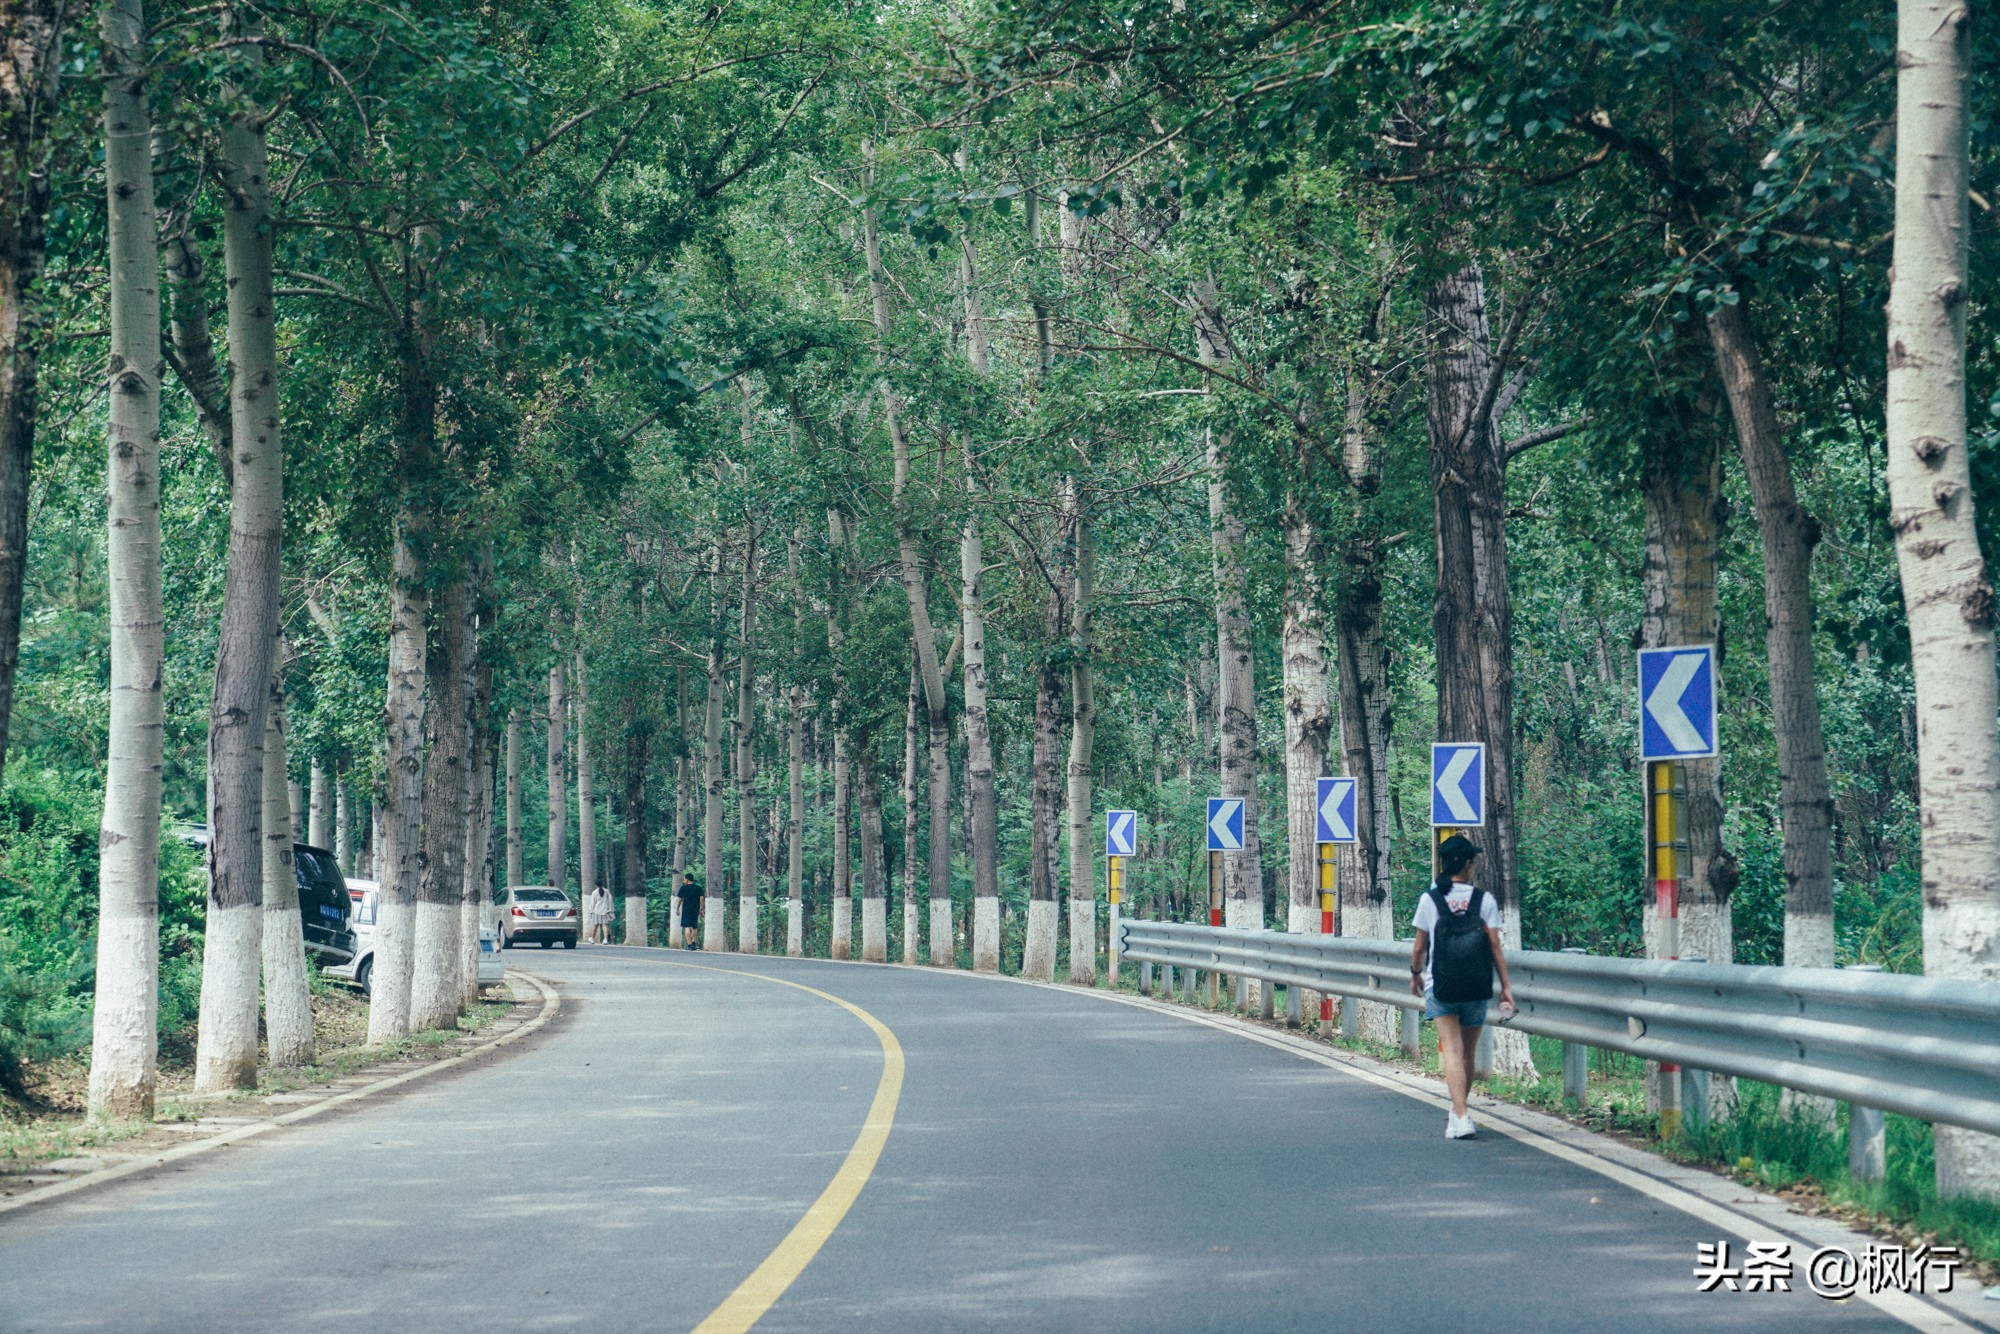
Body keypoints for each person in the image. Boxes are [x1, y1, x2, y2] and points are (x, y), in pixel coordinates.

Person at [1409, 833, 1515, 1140]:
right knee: (1468, 1051)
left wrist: (1416, 973)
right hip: (1476, 985)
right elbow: (1495, 945)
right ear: (1468, 864)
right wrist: (1506, 987)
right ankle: (1460, 1113)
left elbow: (1419, 947)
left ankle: (1461, 1115)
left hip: (1441, 984)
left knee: (1452, 1050)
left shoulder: (1430, 899)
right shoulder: (1484, 901)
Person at [675, 872, 702, 948]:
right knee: (694, 927)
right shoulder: (698, 888)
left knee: (687, 927)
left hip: (686, 910)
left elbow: (680, 899)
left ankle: (689, 945)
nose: (684, 880)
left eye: (684, 879)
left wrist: (677, 908)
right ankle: (694, 943)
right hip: (695, 909)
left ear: (687, 879)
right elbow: (702, 899)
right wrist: (702, 909)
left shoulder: (683, 888)